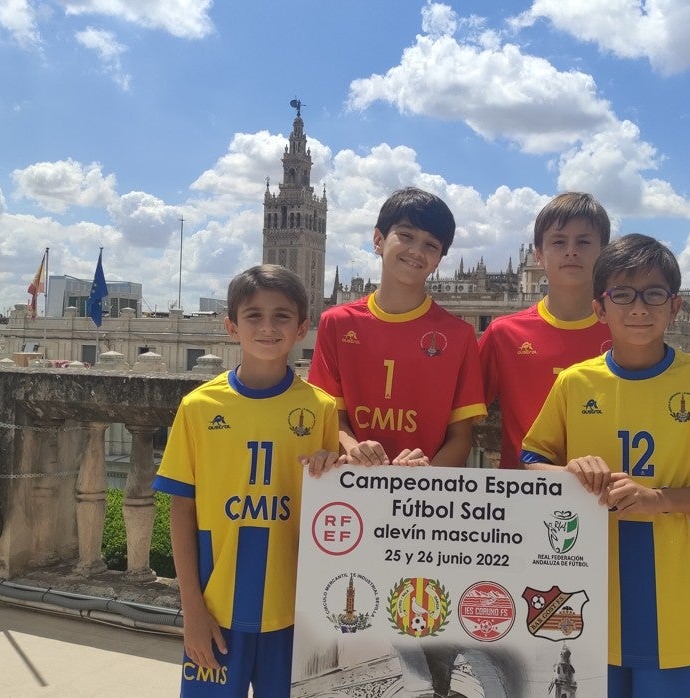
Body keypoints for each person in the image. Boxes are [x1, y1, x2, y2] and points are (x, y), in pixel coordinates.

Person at [521, 234, 690, 698]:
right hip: (587, 598)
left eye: (653, 295)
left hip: (683, 599)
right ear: (599, 308)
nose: (638, 308)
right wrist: (568, 474)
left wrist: (659, 500)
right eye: (622, 294)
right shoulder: (575, 382)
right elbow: (531, 465)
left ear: (675, 308)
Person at [153, 265, 343, 697]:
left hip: (296, 614)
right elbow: (181, 509)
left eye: (282, 316)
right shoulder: (199, 407)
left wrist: (333, 466)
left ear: (301, 329)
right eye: (253, 315)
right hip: (217, 614)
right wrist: (192, 611)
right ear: (231, 326)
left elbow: (331, 506)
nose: (268, 327)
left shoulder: (321, 409)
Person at [309, 187, 486, 466]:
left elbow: (461, 437)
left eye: (431, 245)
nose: (416, 251)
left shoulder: (459, 336)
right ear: (378, 240)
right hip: (351, 486)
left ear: (439, 259)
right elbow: (330, 416)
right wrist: (354, 448)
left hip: (421, 500)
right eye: (406, 236)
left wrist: (422, 480)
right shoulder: (337, 323)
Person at [478, 192, 612, 468]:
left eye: (584, 242)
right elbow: (458, 413)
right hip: (523, 495)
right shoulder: (504, 333)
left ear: (604, 253)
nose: (571, 251)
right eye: (559, 241)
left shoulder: (623, 332)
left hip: (607, 497)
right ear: (538, 255)